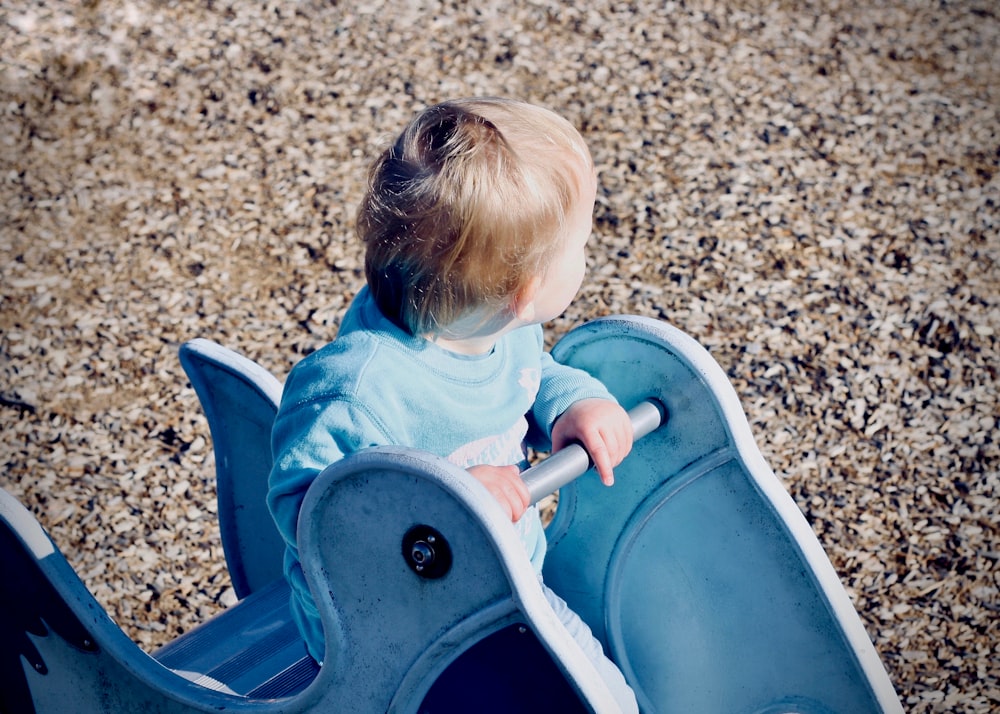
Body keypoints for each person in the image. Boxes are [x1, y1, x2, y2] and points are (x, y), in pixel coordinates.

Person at [267, 97, 638, 713]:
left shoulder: (499, 328)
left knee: (607, 701)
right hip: (381, 637)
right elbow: (311, 514)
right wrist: (443, 504)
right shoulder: (355, 389)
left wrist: (571, 403)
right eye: (582, 244)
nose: (589, 255)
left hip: (502, 593)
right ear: (525, 292)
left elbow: (529, 378)